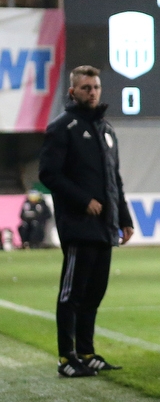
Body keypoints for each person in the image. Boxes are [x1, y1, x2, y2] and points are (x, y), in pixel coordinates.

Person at [38, 65, 134, 378]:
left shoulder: (106, 130)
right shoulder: (62, 127)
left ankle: (87, 352)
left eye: (95, 87)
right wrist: (83, 200)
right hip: (78, 225)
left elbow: (113, 180)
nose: (92, 92)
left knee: (95, 293)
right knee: (72, 294)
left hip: (105, 226)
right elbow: (49, 174)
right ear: (72, 92)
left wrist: (125, 218)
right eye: (85, 88)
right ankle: (66, 357)